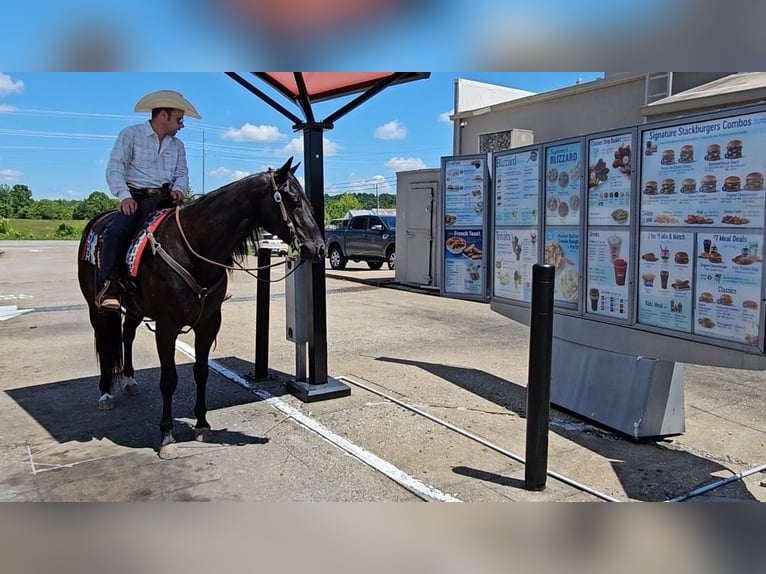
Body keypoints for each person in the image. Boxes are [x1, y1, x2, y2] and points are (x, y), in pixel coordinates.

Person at [96, 90, 201, 310]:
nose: (182, 125)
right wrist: (124, 196)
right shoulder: (130, 135)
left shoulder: (178, 146)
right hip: (136, 198)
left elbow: (182, 173)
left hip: (165, 200)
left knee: (194, 232)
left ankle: (198, 287)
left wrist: (180, 190)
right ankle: (108, 287)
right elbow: (115, 168)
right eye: (179, 120)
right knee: (116, 233)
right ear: (163, 115)